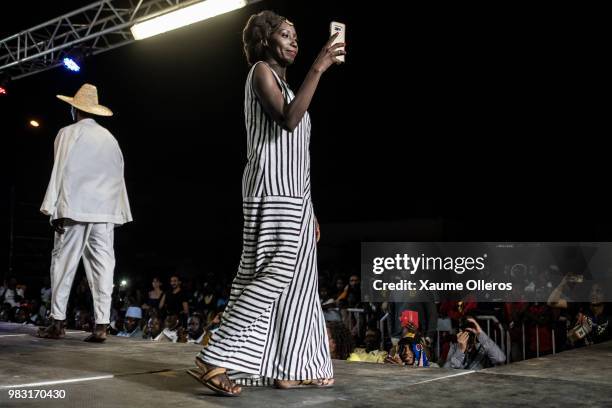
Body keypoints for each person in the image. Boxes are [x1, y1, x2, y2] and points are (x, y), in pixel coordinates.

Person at [189, 10, 346, 397]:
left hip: (294, 195)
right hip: (271, 191)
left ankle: (292, 365)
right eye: (285, 35)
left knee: (298, 284)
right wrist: (319, 67)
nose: (294, 41)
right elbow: (288, 121)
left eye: (296, 36)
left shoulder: (289, 87)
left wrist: (310, 209)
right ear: (264, 40)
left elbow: (298, 154)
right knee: (274, 275)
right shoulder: (260, 72)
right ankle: (216, 356)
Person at [37, 83, 132, 342]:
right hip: (104, 212)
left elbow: (61, 169)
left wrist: (53, 208)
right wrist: (118, 211)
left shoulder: (67, 133)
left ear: (74, 108)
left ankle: (57, 323)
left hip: (75, 208)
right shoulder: (110, 139)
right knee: (103, 268)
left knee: (63, 265)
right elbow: (118, 176)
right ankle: (101, 325)